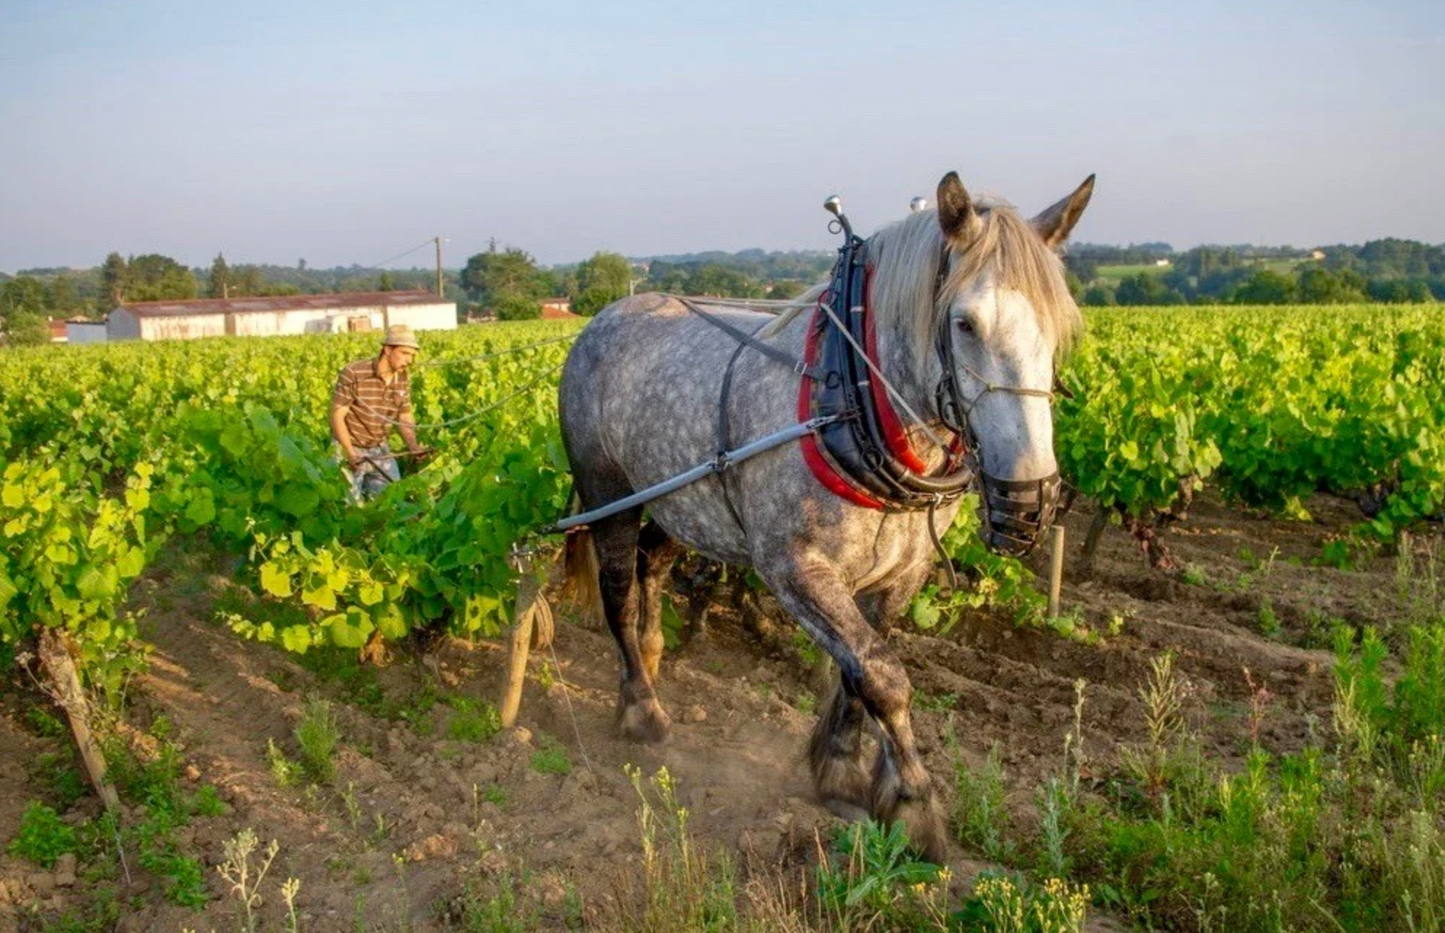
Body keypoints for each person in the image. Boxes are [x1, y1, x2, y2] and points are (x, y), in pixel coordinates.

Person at [331, 324, 428, 501]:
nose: (409, 360)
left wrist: (413, 446)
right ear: (388, 350)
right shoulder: (354, 372)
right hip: (349, 447)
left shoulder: (402, 377)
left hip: (380, 449)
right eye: (405, 353)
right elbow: (337, 415)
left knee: (392, 502)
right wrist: (349, 452)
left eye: (413, 355)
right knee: (348, 506)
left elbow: (404, 415)